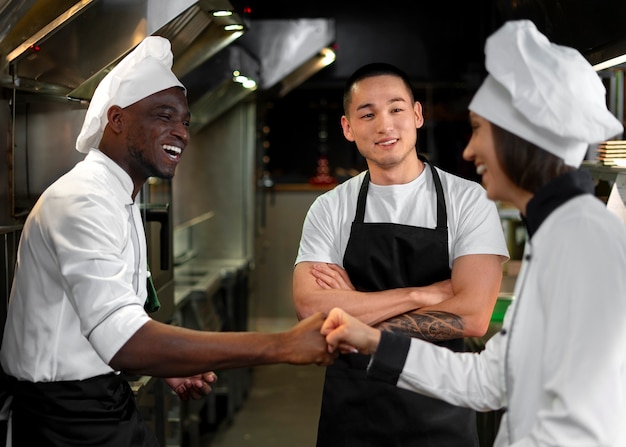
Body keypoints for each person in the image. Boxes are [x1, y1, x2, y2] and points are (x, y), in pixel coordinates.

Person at [0, 36, 335, 446]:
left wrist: (167, 362)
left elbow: (108, 323)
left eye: (185, 121)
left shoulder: (118, 195)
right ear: (117, 120)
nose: (181, 132)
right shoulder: (82, 201)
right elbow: (122, 339)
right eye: (164, 116)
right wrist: (281, 345)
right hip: (64, 419)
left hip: (101, 397)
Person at [321, 19, 626, 446]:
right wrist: (372, 339)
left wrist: (365, 312)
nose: (468, 150)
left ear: (518, 137)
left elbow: (582, 427)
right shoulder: (558, 233)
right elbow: (491, 379)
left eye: (479, 129)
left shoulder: (583, 239)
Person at [293, 60, 509, 445]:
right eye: (367, 113)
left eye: (396, 108)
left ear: (417, 114)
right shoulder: (330, 208)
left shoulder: (468, 201)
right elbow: (311, 309)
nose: (384, 125)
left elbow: (474, 317)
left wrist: (354, 312)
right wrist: (424, 294)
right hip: (353, 414)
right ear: (347, 127)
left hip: (441, 408)